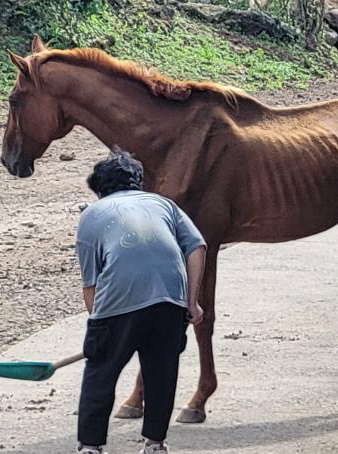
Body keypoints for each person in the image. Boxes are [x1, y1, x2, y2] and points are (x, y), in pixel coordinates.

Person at [75, 146, 207, 454]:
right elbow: (197, 247)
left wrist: (100, 333)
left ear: (98, 189)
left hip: (119, 301)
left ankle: (91, 447)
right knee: (161, 370)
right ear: (139, 182)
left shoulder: (92, 215)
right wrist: (192, 302)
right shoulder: (163, 204)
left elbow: (90, 283)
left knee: (101, 372)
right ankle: (155, 443)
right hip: (170, 299)